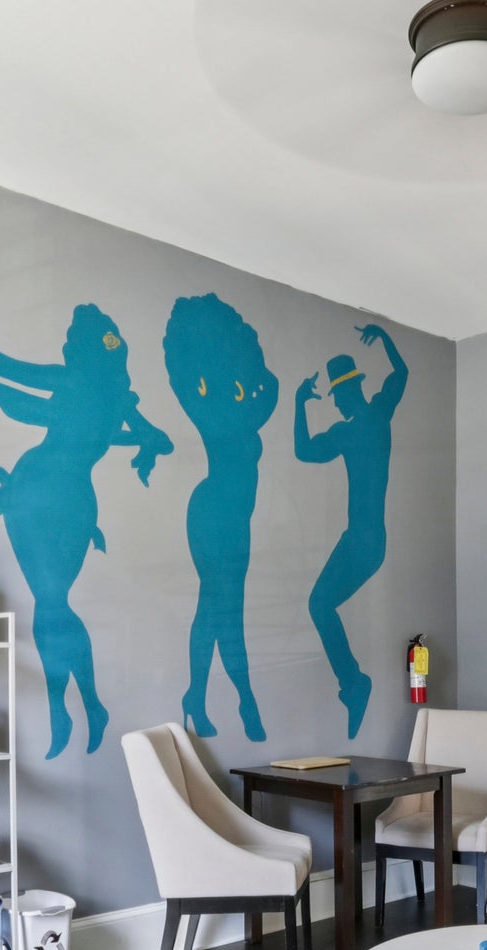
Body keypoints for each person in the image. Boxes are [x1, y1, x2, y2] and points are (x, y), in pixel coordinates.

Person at [0, 306, 172, 758]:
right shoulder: (117, 398)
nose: (66, 347)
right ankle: (80, 707)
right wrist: (126, 441)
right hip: (72, 500)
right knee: (53, 603)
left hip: (39, 493)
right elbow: (160, 439)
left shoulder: (71, 381)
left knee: (51, 604)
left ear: (79, 349)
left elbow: (11, 386)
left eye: (71, 341)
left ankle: (72, 708)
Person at [163, 294, 277, 743]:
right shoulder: (209, 411)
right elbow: (268, 388)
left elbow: (270, 387)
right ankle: (247, 701)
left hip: (235, 521)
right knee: (228, 613)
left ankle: (195, 696)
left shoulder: (242, 408)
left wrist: (254, 369)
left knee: (212, 612)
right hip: (213, 513)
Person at [294, 324, 407, 737]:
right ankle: (354, 683)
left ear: (349, 389)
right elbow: (401, 374)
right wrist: (385, 340)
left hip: (364, 540)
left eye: (337, 396)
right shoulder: (376, 415)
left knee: (319, 605)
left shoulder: (353, 428)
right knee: (320, 605)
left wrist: (298, 403)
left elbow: (303, 449)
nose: (337, 403)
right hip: (366, 539)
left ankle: (355, 683)